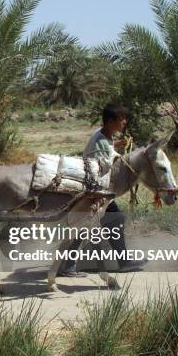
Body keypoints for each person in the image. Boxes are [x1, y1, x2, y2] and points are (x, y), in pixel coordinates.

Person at [59, 103, 148, 276]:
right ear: (110, 121)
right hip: (94, 191)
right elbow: (101, 166)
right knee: (94, 223)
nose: (124, 122)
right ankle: (70, 266)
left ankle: (121, 262)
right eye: (121, 119)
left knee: (98, 223)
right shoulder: (100, 141)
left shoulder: (104, 136)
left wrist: (117, 146)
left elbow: (107, 152)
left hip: (96, 190)